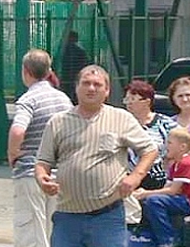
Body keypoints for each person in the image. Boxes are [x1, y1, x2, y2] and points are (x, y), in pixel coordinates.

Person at [35, 64, 157, 247]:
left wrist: (135, 177)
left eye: (97, 84)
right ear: (76, 87)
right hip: (67, 217)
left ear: (107, 91)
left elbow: (149, 150)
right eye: (86, 83)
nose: (91, 88)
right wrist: (41, 178)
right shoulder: (58, 122)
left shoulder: (121, 118)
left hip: (107, 216)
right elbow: (43, 161)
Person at [7, 49, 73, 247]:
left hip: (31, 172)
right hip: (59, 173)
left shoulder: (29, 99)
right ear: (48, 70)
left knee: (31, 231)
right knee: (54, 230)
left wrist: (13, 153)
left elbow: (18, 130)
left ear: (26, 71)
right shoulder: (63, 99)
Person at [134, 127, 190, 247]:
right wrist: (144, 193)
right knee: (149, 200)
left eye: (169, 143)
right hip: (181, 199)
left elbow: (173, 190)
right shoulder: (175, 165)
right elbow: (166, 187)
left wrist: (146, 193)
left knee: (154, 201)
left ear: (182, 147)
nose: (166, 146)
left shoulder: (186, 163)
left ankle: (168, 240)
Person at [124, 79, 177, 190]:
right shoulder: (122, 123)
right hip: (127, 179)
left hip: (158, 180)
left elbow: (186, 142)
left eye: (133, 99)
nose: (128, 103)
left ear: (147, 101)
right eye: (126, 99)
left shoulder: (165, 123)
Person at [60, 30, 89, 104]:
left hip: (65, 76)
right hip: (76, 76)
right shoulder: (80, 51)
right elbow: (85, 63)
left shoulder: (62, 50)